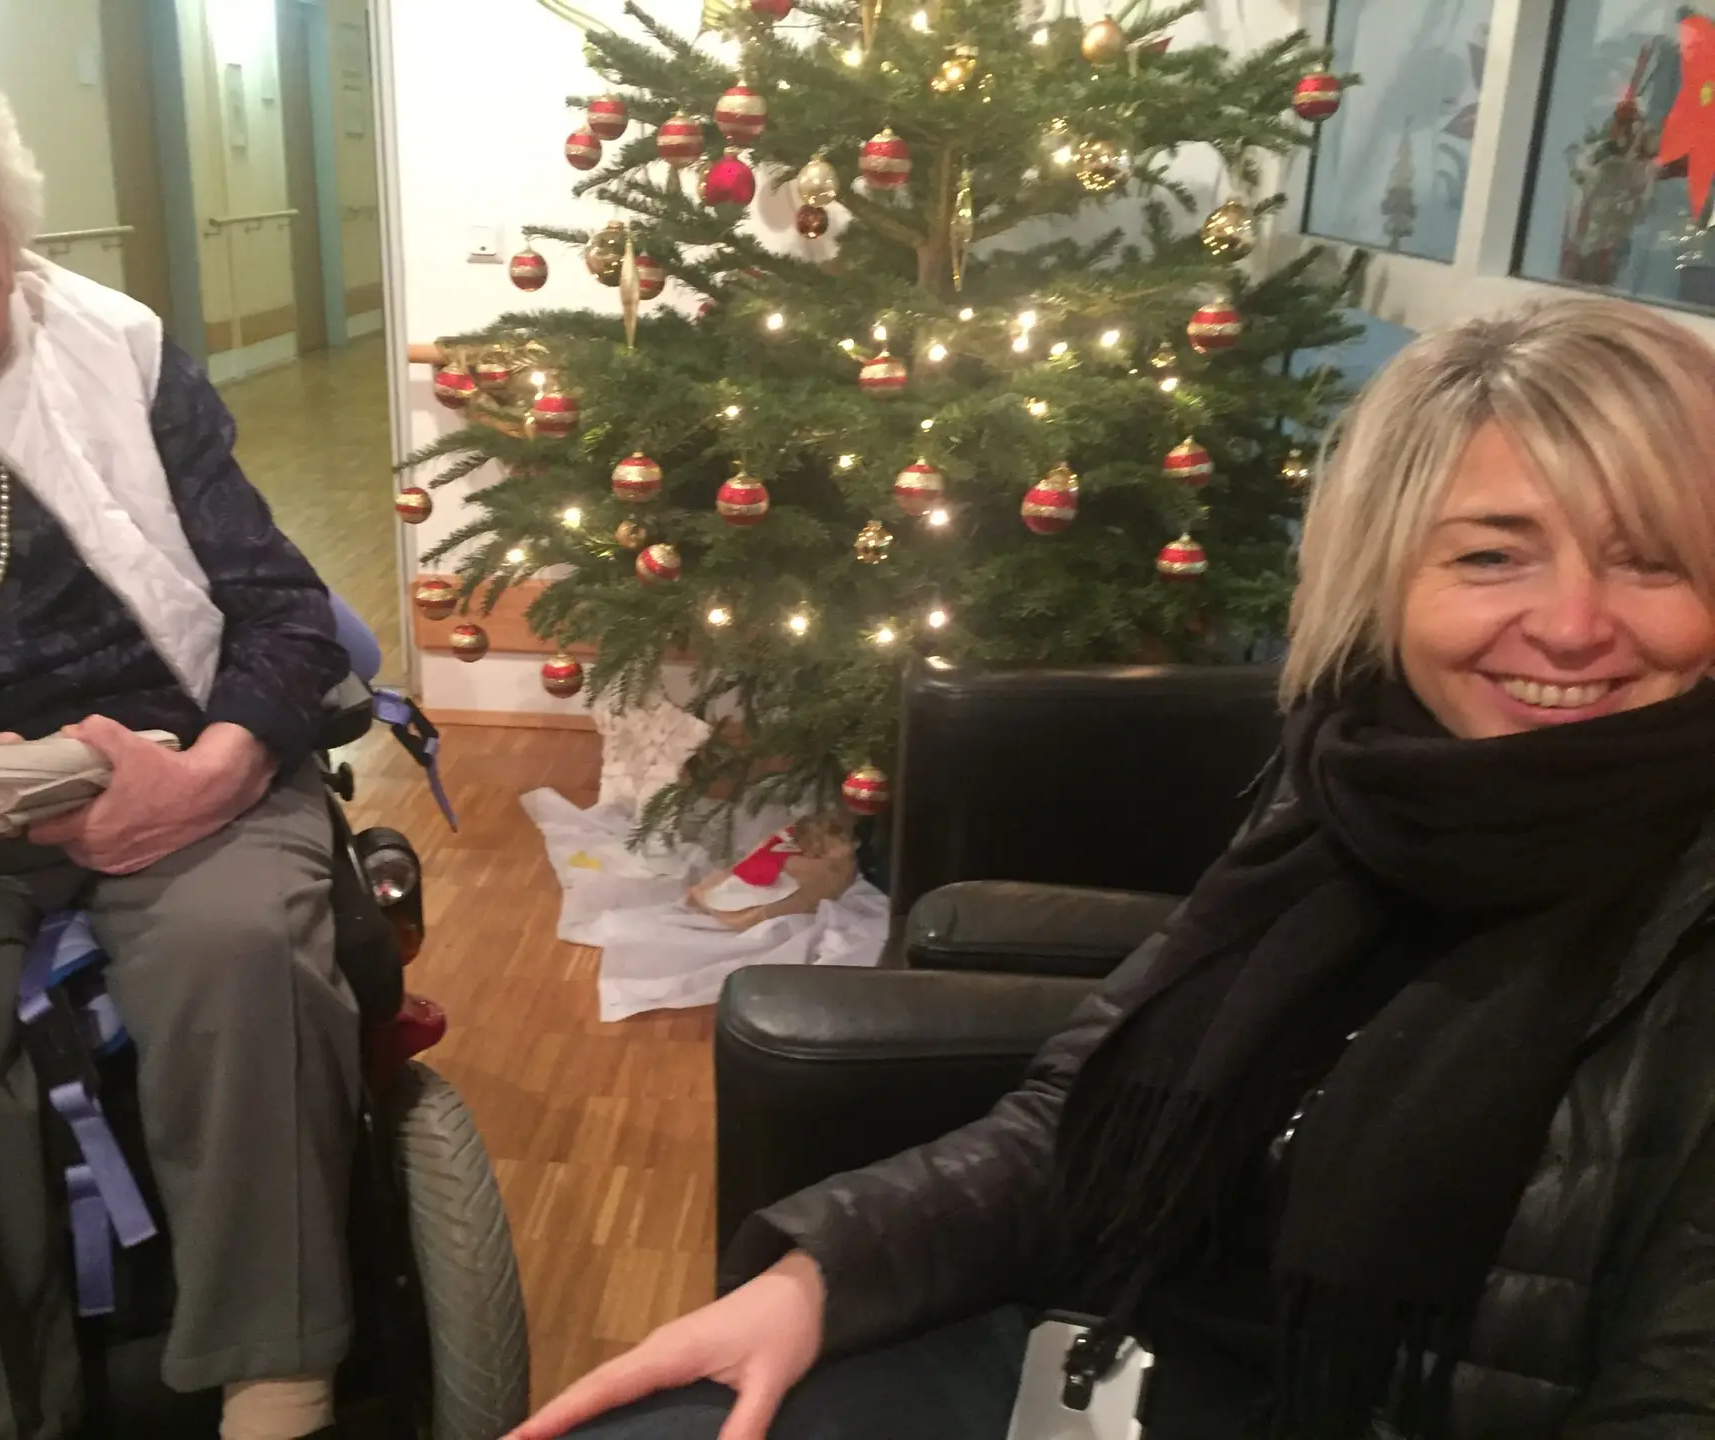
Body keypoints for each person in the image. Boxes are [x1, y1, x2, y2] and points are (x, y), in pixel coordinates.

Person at [510, 296, 1715, 1440]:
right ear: (1388, 577)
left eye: (1650, 561)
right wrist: (821, 1277)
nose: (1572, 625)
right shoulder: (1362, 782)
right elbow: (1079, 1131)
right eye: (1494, 556)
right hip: (1110, 1351)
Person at [0, 16, 358, 1440]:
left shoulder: (120, 354)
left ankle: (276, 1381)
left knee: (241, 946)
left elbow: (284, 613)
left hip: (170, 774)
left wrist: (216, 772)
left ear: (12, 237)